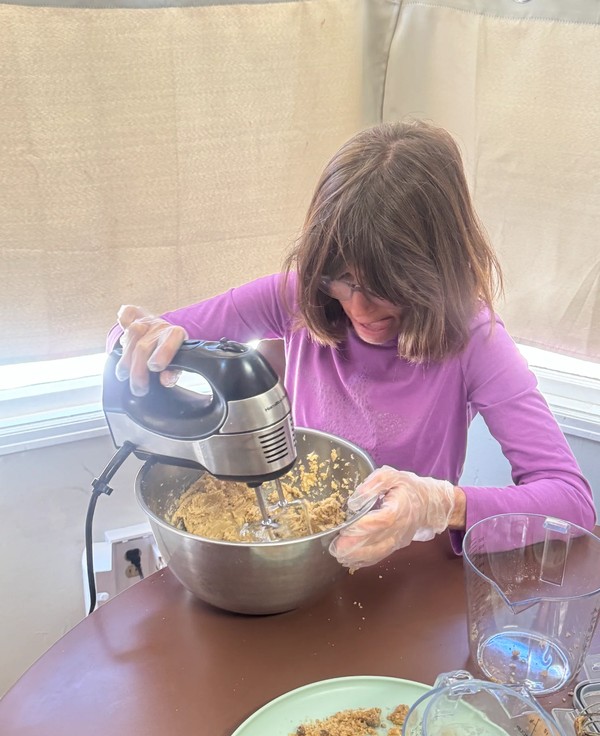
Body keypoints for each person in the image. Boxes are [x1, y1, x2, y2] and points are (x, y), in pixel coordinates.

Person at [109, 119, 596, 570]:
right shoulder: (296, 293)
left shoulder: (474, 339)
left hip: (403, 570)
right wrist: (140, 342)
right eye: (340, 282)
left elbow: (572, 502)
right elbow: (132, 337)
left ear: (436, 274)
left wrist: (442, 504)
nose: (359, 309)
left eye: (387, 286)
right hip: (299, 550)